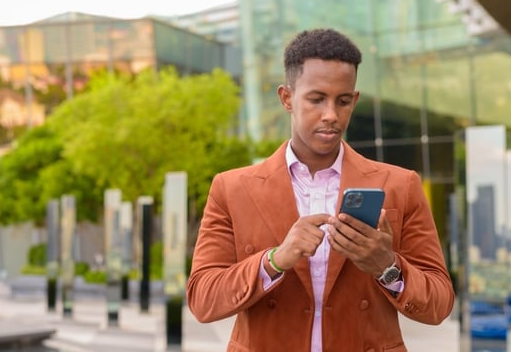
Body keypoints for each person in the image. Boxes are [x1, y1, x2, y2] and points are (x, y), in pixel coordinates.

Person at [186, 28, 455, 351]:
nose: (331, 115)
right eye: (316, 99)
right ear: (287, 98)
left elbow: (439, 303)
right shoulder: (231, 188)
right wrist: (275, 259)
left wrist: (387, 266)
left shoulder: (400, 185)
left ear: (354, 100)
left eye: (342, 101)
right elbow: (202, 299)